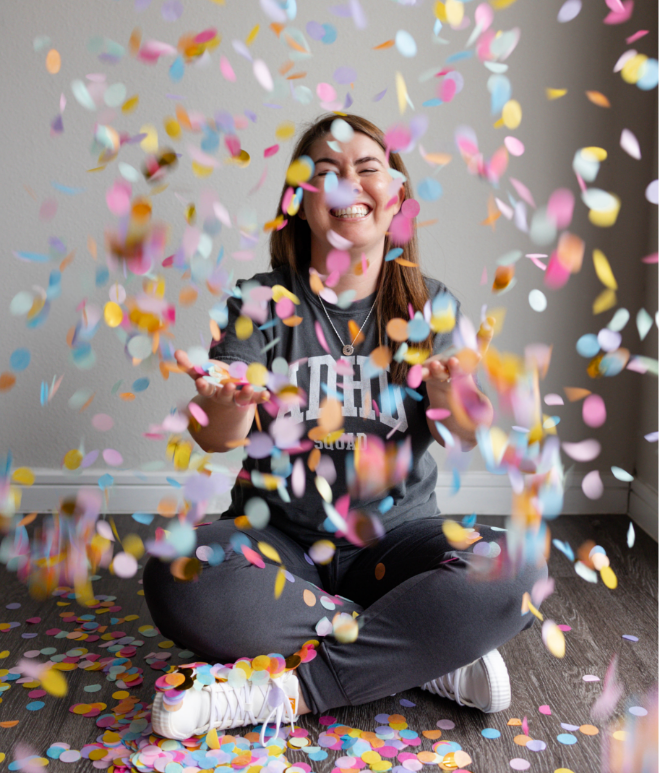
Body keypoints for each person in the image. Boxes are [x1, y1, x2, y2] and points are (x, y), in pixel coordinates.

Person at [144, 114, 547, 746]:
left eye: (365, 168)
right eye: (323, 173)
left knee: (521, 563)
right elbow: (219, 438)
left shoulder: (429, 304)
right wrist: (227, 399)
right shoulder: (259, 302)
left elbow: (465, 432)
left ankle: (283, 691)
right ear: (299, 205)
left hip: (399, 545)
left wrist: (449, 396)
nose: (344, 184)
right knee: (176, 568)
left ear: (398, 201)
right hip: (278, 546)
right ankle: (430, 650)